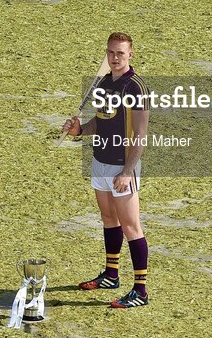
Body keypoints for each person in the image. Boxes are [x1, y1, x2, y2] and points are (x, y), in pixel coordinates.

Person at [62, 32, 151, 308]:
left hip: (122, 165)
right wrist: (80, 130)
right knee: (108, 219)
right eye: (111, 53)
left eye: (120, 53)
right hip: (100, 160)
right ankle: (111, 275)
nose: (115, 58)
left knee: (131, 226)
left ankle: (140, 290)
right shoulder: (102, 83)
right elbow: (100, 122)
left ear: (130, 54)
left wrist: (127, 170)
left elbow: (140, 134)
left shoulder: (136, 87)